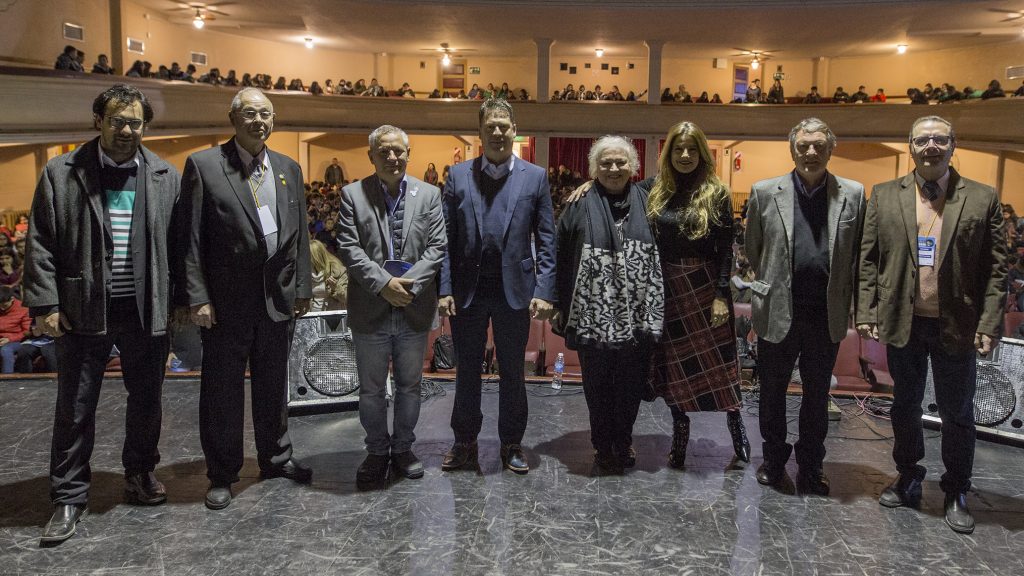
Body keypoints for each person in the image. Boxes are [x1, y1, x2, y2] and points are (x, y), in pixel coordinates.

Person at [24, 84, 183, 544]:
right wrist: (45, 304)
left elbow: (178, 245)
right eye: (117, 121)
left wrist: (180, 301)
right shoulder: (62, 172)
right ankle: (70, 497)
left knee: (148, 401)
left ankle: (139, 474)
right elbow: (41, 242)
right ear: (99, 121)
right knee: (75, 406)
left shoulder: (163, 175)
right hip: (82, 309)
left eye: (135, 122)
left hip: (144, 308)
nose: (127, 130)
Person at [856, 115, 1007, 534]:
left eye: (939, 139)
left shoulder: (981, 197)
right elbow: (868, 261)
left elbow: (997, 270)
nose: (931, 146)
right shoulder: (885, 195)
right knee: (904, 406)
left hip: (957, 323)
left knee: (957, 412)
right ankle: (908, 475)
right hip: (903, 321)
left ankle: (957, 488)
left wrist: (991, 321)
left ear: (953, 145)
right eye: (922, 140)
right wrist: (866, 311)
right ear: (910, 147)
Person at [181, 87, 313, 511]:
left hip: (276, 300)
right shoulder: (204, 166)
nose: (260, 121)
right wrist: (198, 297)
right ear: (234, 119)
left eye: (267, 114)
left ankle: (275, 458)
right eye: (252, 114)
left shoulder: (288, 168)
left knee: (274, 387)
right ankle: (222, 473)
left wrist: (303, 289)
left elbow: (300, 236)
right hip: (225, 304)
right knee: (222, 392)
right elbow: (191, 240)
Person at [745, 117, 866, 495]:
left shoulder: (854, 193)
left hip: (824, 313)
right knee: (772, 392)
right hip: (777, 310)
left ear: (831, 148)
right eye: (803, 146)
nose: (811, 152)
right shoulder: (764, 191)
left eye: (818, 145)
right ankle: (774, 460)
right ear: (792, 149)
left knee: (817, 395)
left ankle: (811, 466)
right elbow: (754, 248)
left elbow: (860, 255)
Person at [438, 98, 556, 474]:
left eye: (504, 125)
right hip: (467, 291)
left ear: (514, 128)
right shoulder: (457, 176)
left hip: (516, 291)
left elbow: (548, 240)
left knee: (512, 371)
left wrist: (544, 290)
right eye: (491, 125)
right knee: (467, 370)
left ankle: (511, 444)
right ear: (480, 132)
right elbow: (444, 240)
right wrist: (443, 289)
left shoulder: (535, 177)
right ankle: (464, 443)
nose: (498, 131)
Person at [336, 125, 446, 487]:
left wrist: (407, 286)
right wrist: (384, 285)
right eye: (384, 151)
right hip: (371, 308)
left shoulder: (430, 194)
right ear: (372, 156)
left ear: (408, 154)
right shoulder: (352, 194)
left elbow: (437, 248)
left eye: (399, 151)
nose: (393, 157)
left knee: (410, 386)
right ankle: (376, 450)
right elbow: (349, 249)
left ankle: (402, 448)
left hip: (413, 307)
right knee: (370, 390)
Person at [554, 136, 663, 474]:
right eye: (605, 164)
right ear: (593, 169)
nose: (613, 169)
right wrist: (557, 302)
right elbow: (560, 256)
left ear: (634, 166)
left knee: (630, 385)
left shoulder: (650, 198)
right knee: (597, 385)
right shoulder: (578, 204)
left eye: (620, 162)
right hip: (591, 315)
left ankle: (623, 439)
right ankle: (603, 444)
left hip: (637, 314)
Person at [308, 240, 348, 312]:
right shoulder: (304, 272)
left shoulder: (337, 270)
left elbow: (346, 298)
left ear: (317, 257)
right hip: (311, 315)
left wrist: (335, 288)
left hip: (331, 316)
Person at [0, 286, 30, 373]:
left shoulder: (23, 309)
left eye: (4, 305)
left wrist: (9, 339)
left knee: (6, 350)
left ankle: (8, 379)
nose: (2, 308)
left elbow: (26, 332)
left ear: (12, 299)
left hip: (16, 341)